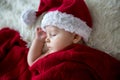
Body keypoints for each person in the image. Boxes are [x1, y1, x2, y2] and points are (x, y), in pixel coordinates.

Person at [22, 0, 120, 80]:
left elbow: (107, 67)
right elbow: (32, 63)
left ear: (75, 37)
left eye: (52, 34)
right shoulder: (49, 53)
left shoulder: (82, 54)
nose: (47, 39)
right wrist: (38, 40)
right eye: (47, 35)